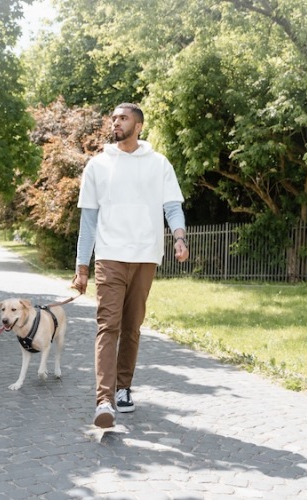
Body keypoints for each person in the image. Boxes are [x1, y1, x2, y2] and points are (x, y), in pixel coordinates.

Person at [72, 103, 189, 428]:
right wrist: (82, 266)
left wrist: (179, 238)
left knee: (132, 327)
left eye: (122, 118)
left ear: (138, 125)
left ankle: (123, 388)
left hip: (146, 256)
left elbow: (172, 207)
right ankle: (104, 400)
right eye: (113, 118)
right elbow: (89, 221)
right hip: (110, 257)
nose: (116, 123)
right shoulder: (97, 165)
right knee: (108, 326)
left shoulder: (159, 164)